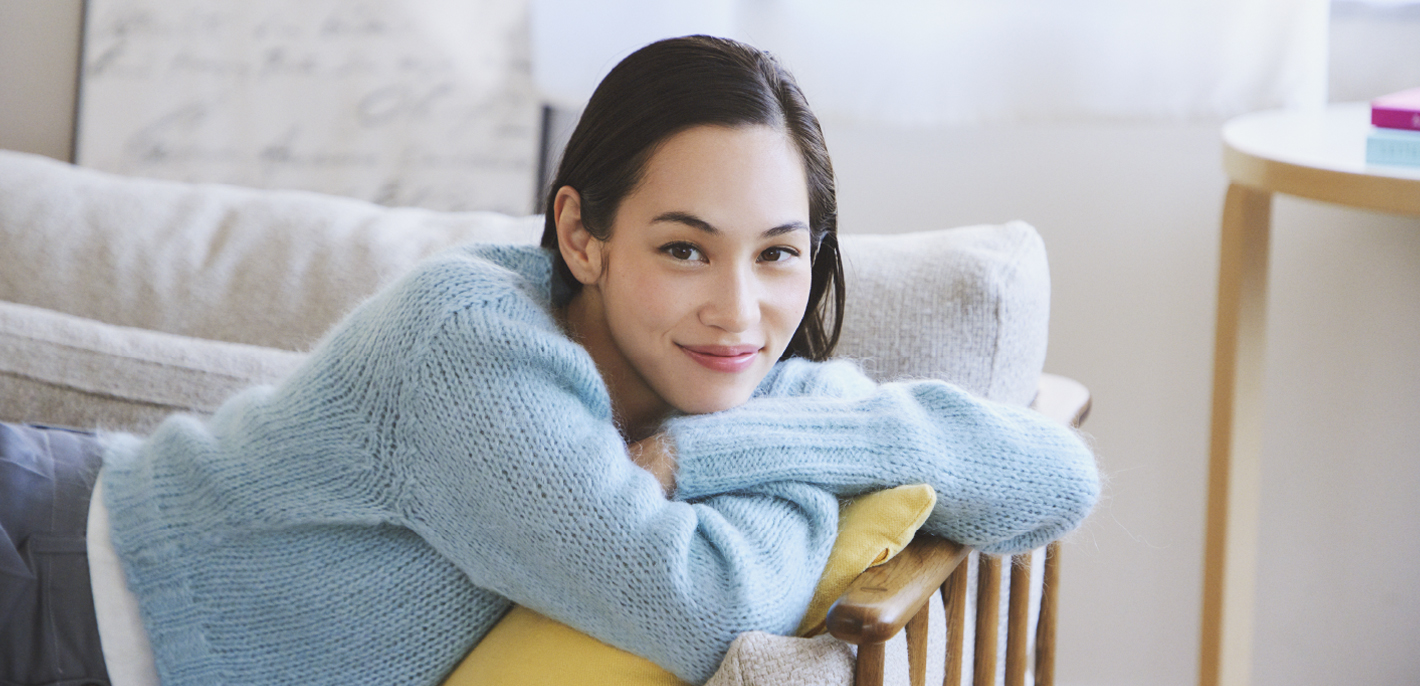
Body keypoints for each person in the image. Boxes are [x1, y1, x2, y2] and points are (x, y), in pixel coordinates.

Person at [0, 35, 1099, 686]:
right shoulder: (467, 343)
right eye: (683, 248)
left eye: (777, 254)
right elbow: (698, 597)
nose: (739, 308)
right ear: (581, 235)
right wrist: (783, 459)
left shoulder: (740, 387)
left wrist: (775, 441)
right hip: (50, 575)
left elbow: (1055, 478)